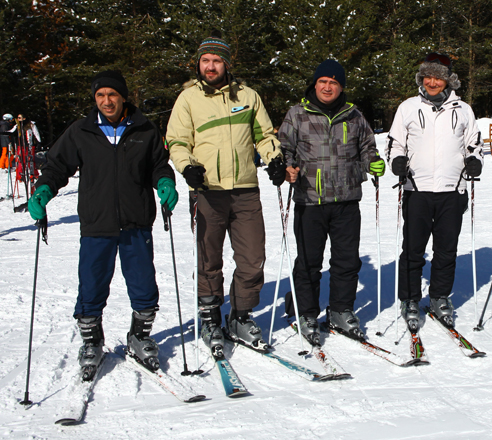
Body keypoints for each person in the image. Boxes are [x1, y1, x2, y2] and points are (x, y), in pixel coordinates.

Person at [27, 71, 177, 377]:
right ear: (95, 99)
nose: (106, 101)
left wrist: (164, 182)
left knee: (144, 284)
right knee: (92, 284)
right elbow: (57, 166)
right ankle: (92, 341)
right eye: (100, 96)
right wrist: (43, 190)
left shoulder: (144, 128)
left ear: (123, 96)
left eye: (112, 95)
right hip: (97, 223)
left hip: (136, 220)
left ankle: (140, 335)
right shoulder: (81, 131)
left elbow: (159, 164)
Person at [166, 32, 285, 355]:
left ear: (227, 64)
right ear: (198, 64)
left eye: (217, 60)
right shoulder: (188, 99)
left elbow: (264, 135)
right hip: (207, 191)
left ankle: (240, 316)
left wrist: (274, 158)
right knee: (209, 259)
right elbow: (177, 141)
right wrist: (186, 167)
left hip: (246, 189)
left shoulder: (248, 96)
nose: (210, 66)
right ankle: (210, 317)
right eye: (205, 60)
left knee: (252, 258)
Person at [278, 59, 384, 345]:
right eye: (323, 81)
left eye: (334, 83)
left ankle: (340, 310)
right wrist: (285, 166)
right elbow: (283, 148)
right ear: (315, 84)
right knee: (309, 262)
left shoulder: (354, 116)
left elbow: (367, 147)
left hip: (347, 200)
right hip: (310, 200)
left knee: (347, 261)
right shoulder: (297, 114)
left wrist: (372, 162)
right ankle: (307, 313)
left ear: (341, 87)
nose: (327, 87)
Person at [387, 53, 483, 331]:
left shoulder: (463, 109)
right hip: (417, 189)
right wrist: (397, 160)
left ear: (448, 80)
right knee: (413, 249)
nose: (432, 82)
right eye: (427, 76)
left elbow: (473, 144)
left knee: (446, 250)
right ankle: (410, 298)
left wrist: (474, 160)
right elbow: (396, 143)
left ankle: (440, 297)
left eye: (438, 77)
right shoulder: (407, 107)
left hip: (453, 190)